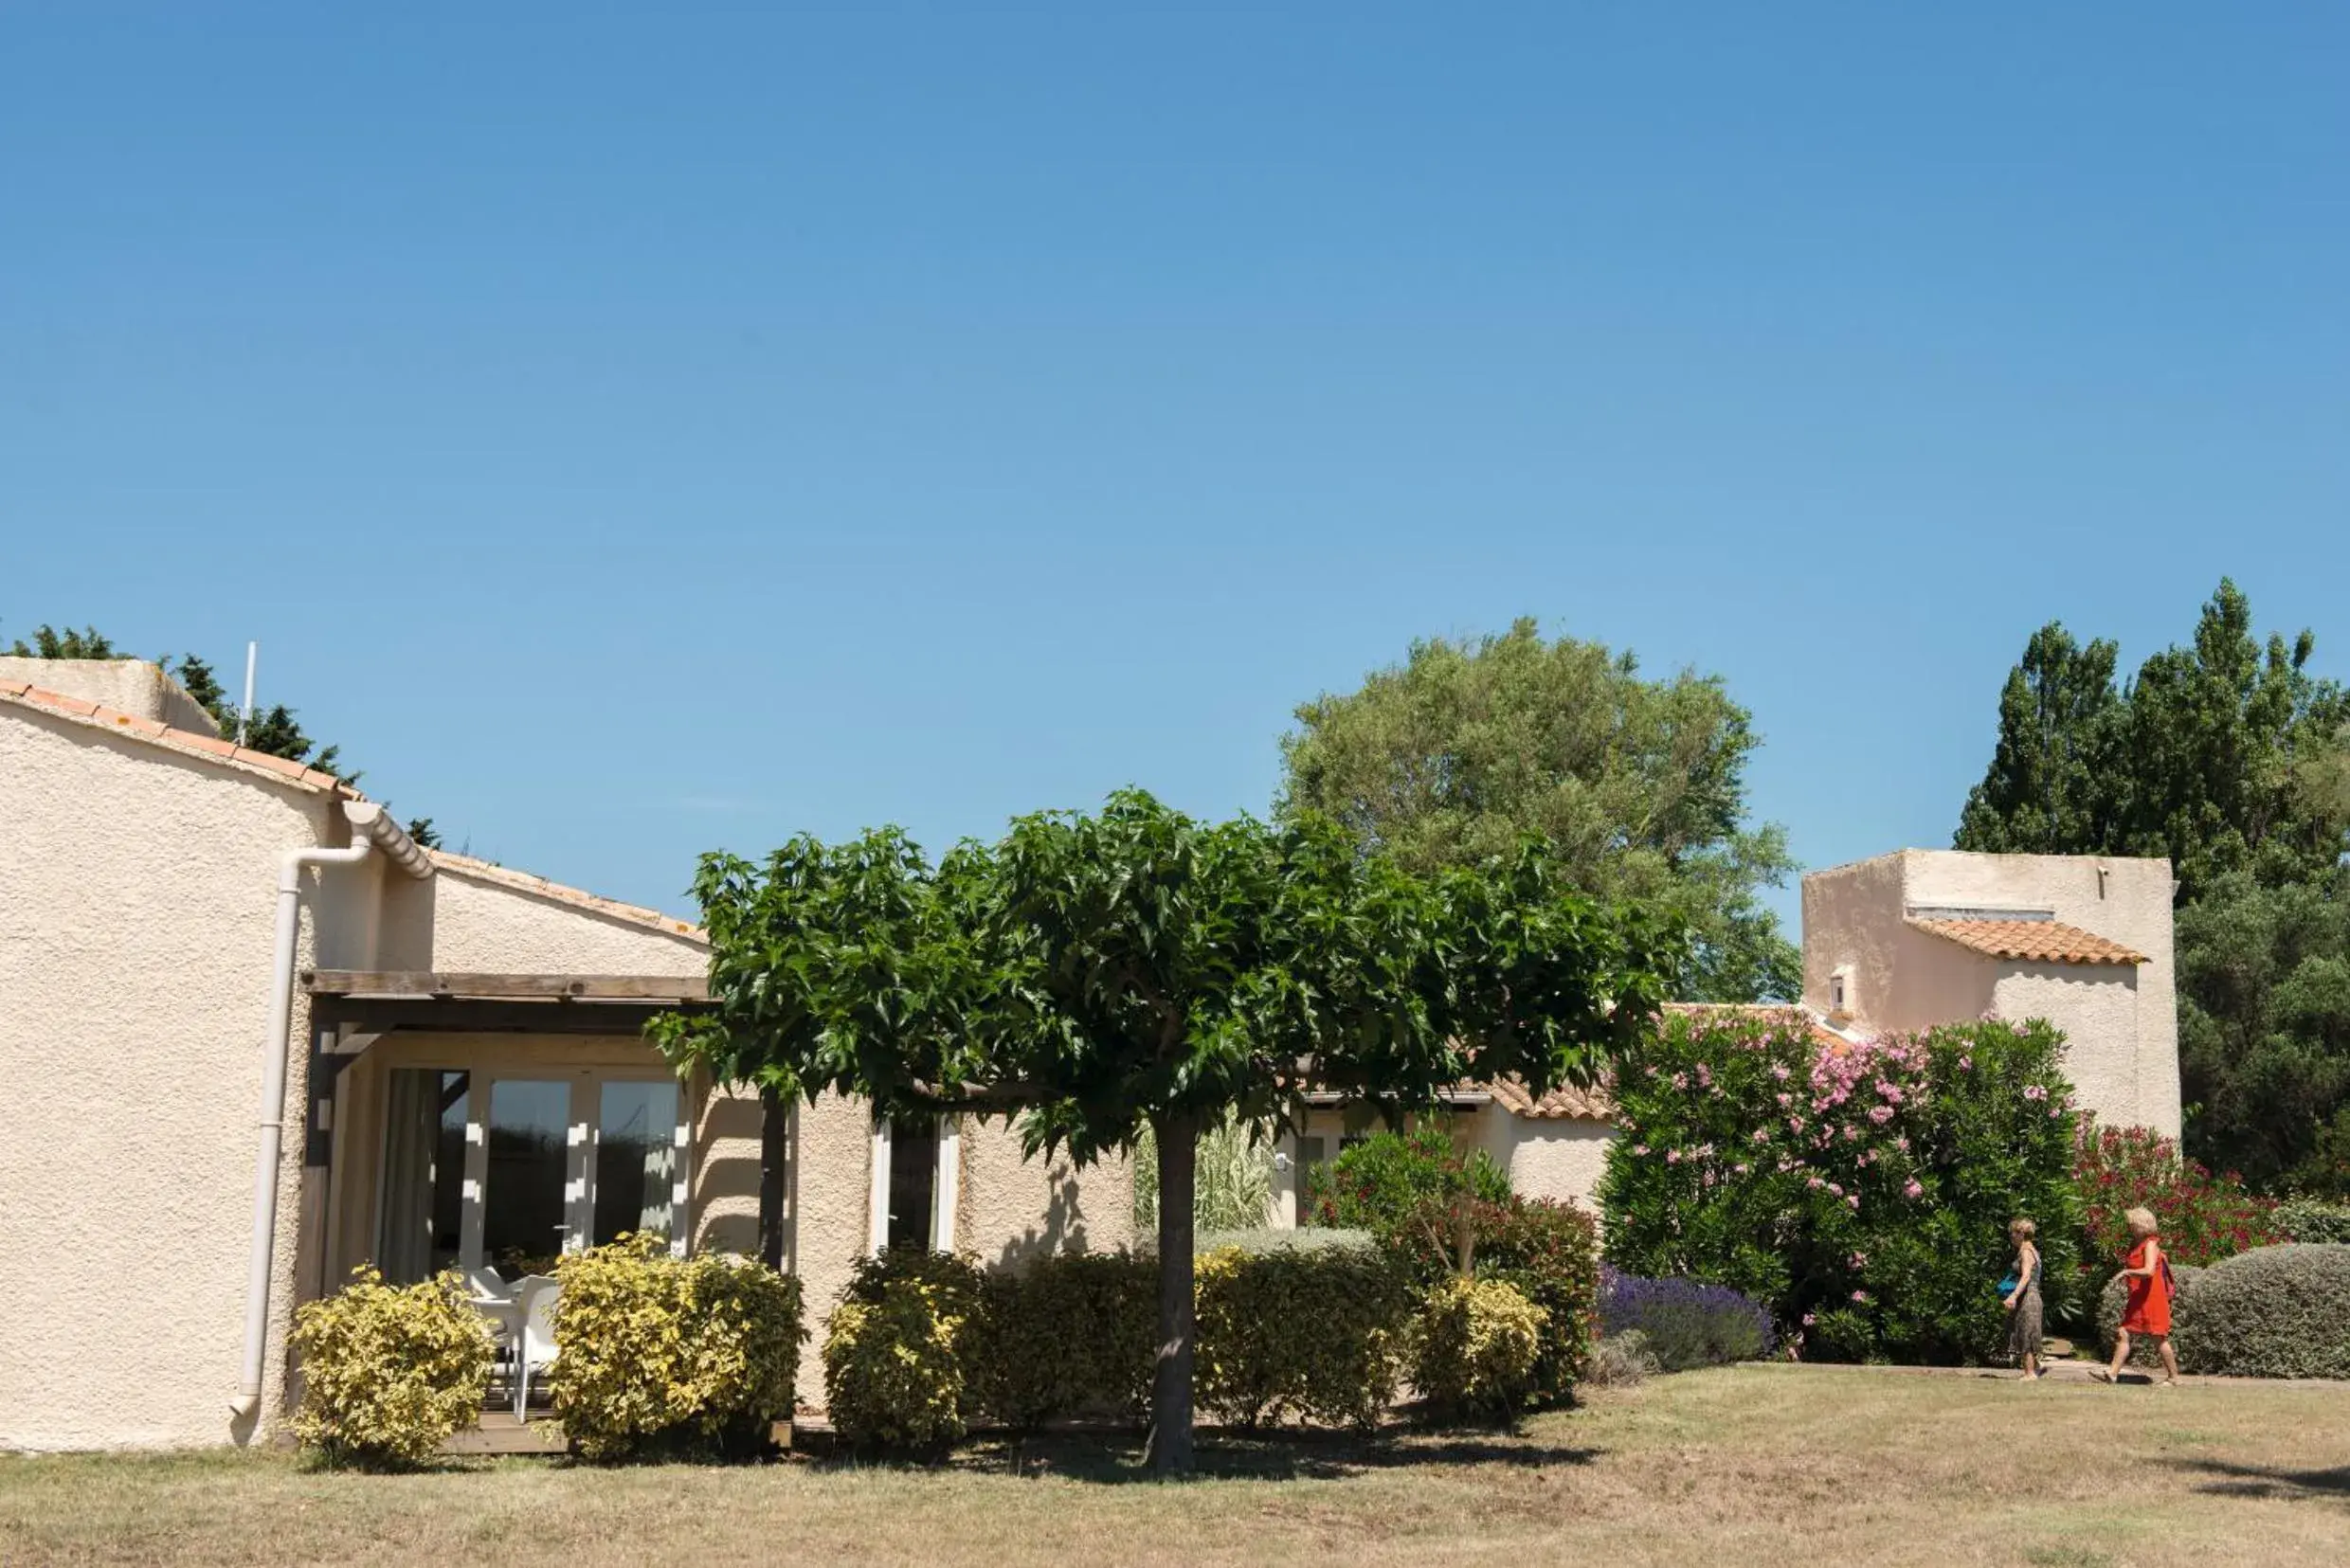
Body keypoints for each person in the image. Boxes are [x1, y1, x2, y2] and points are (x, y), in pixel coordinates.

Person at [2095, 1206, 2180, 1387]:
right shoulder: (2136, 1244)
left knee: (2158, 1338)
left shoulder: (2150, 1244)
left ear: (2142, 1224)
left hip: (2152, 1298)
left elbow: (2149, 1271)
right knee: (2123, 1332)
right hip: (2138, 1297)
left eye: (2132, 1224)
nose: (2129, 1227)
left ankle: (2173, 1377)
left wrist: (2127, 1272)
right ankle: (2112, 1374)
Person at [2003, 1217, 2045, 1379]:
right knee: (2023, 1332)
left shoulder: (2026, 1252)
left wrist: (2013, 1296)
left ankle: (2030, 1374)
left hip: (2028, 1297)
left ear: (2021, 1234)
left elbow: (2026, 1276)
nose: (2011, 1237)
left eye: (2012, 1234)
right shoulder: (2032, 1250)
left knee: (2026, 1334)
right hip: (2031, 1296)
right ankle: (2035, 1368)